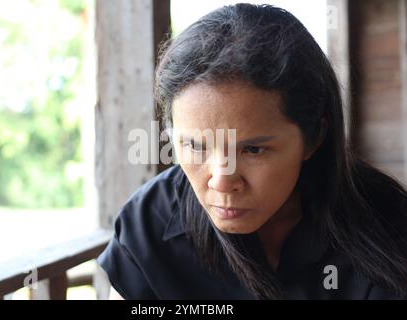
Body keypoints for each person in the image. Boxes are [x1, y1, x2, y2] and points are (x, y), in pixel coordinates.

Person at [97, 3, 407, 299]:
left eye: (253, 149)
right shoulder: (150, 223)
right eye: (194, 146)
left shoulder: (386, 228)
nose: (221, 180)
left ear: (314, 138)